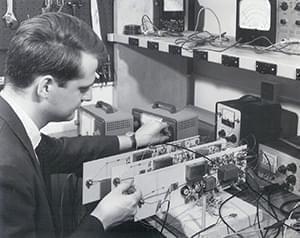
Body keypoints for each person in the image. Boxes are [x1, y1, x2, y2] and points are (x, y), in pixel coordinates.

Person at [0, 12, 169, 238]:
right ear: (46, 87)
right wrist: (102, 219)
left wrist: (136, 139)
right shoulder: (7, 167)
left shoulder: (11, 124)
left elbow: (59, 151)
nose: (88, 97)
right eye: (82, 88)